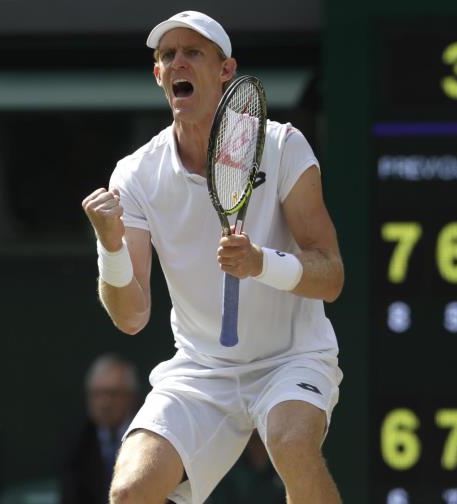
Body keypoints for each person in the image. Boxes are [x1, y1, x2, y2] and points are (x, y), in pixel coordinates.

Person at [81, 10, 344, 504]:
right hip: (202, 370)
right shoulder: (135, 175)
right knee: (131, 491)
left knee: (291, 446)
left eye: (193, 52)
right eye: (167, 56)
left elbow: (330, 275)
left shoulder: (282, 146)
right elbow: (131, 316)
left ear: (226, 70)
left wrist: (261, 263)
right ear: (160, 76)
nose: (179, 62)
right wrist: (111, 246)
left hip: (292, 357)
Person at [59, 353, 139, 504]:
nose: (104, 403)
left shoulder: (147, 435)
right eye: (96, 394)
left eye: (112, 394)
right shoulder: (77, 440)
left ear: (131, 396)